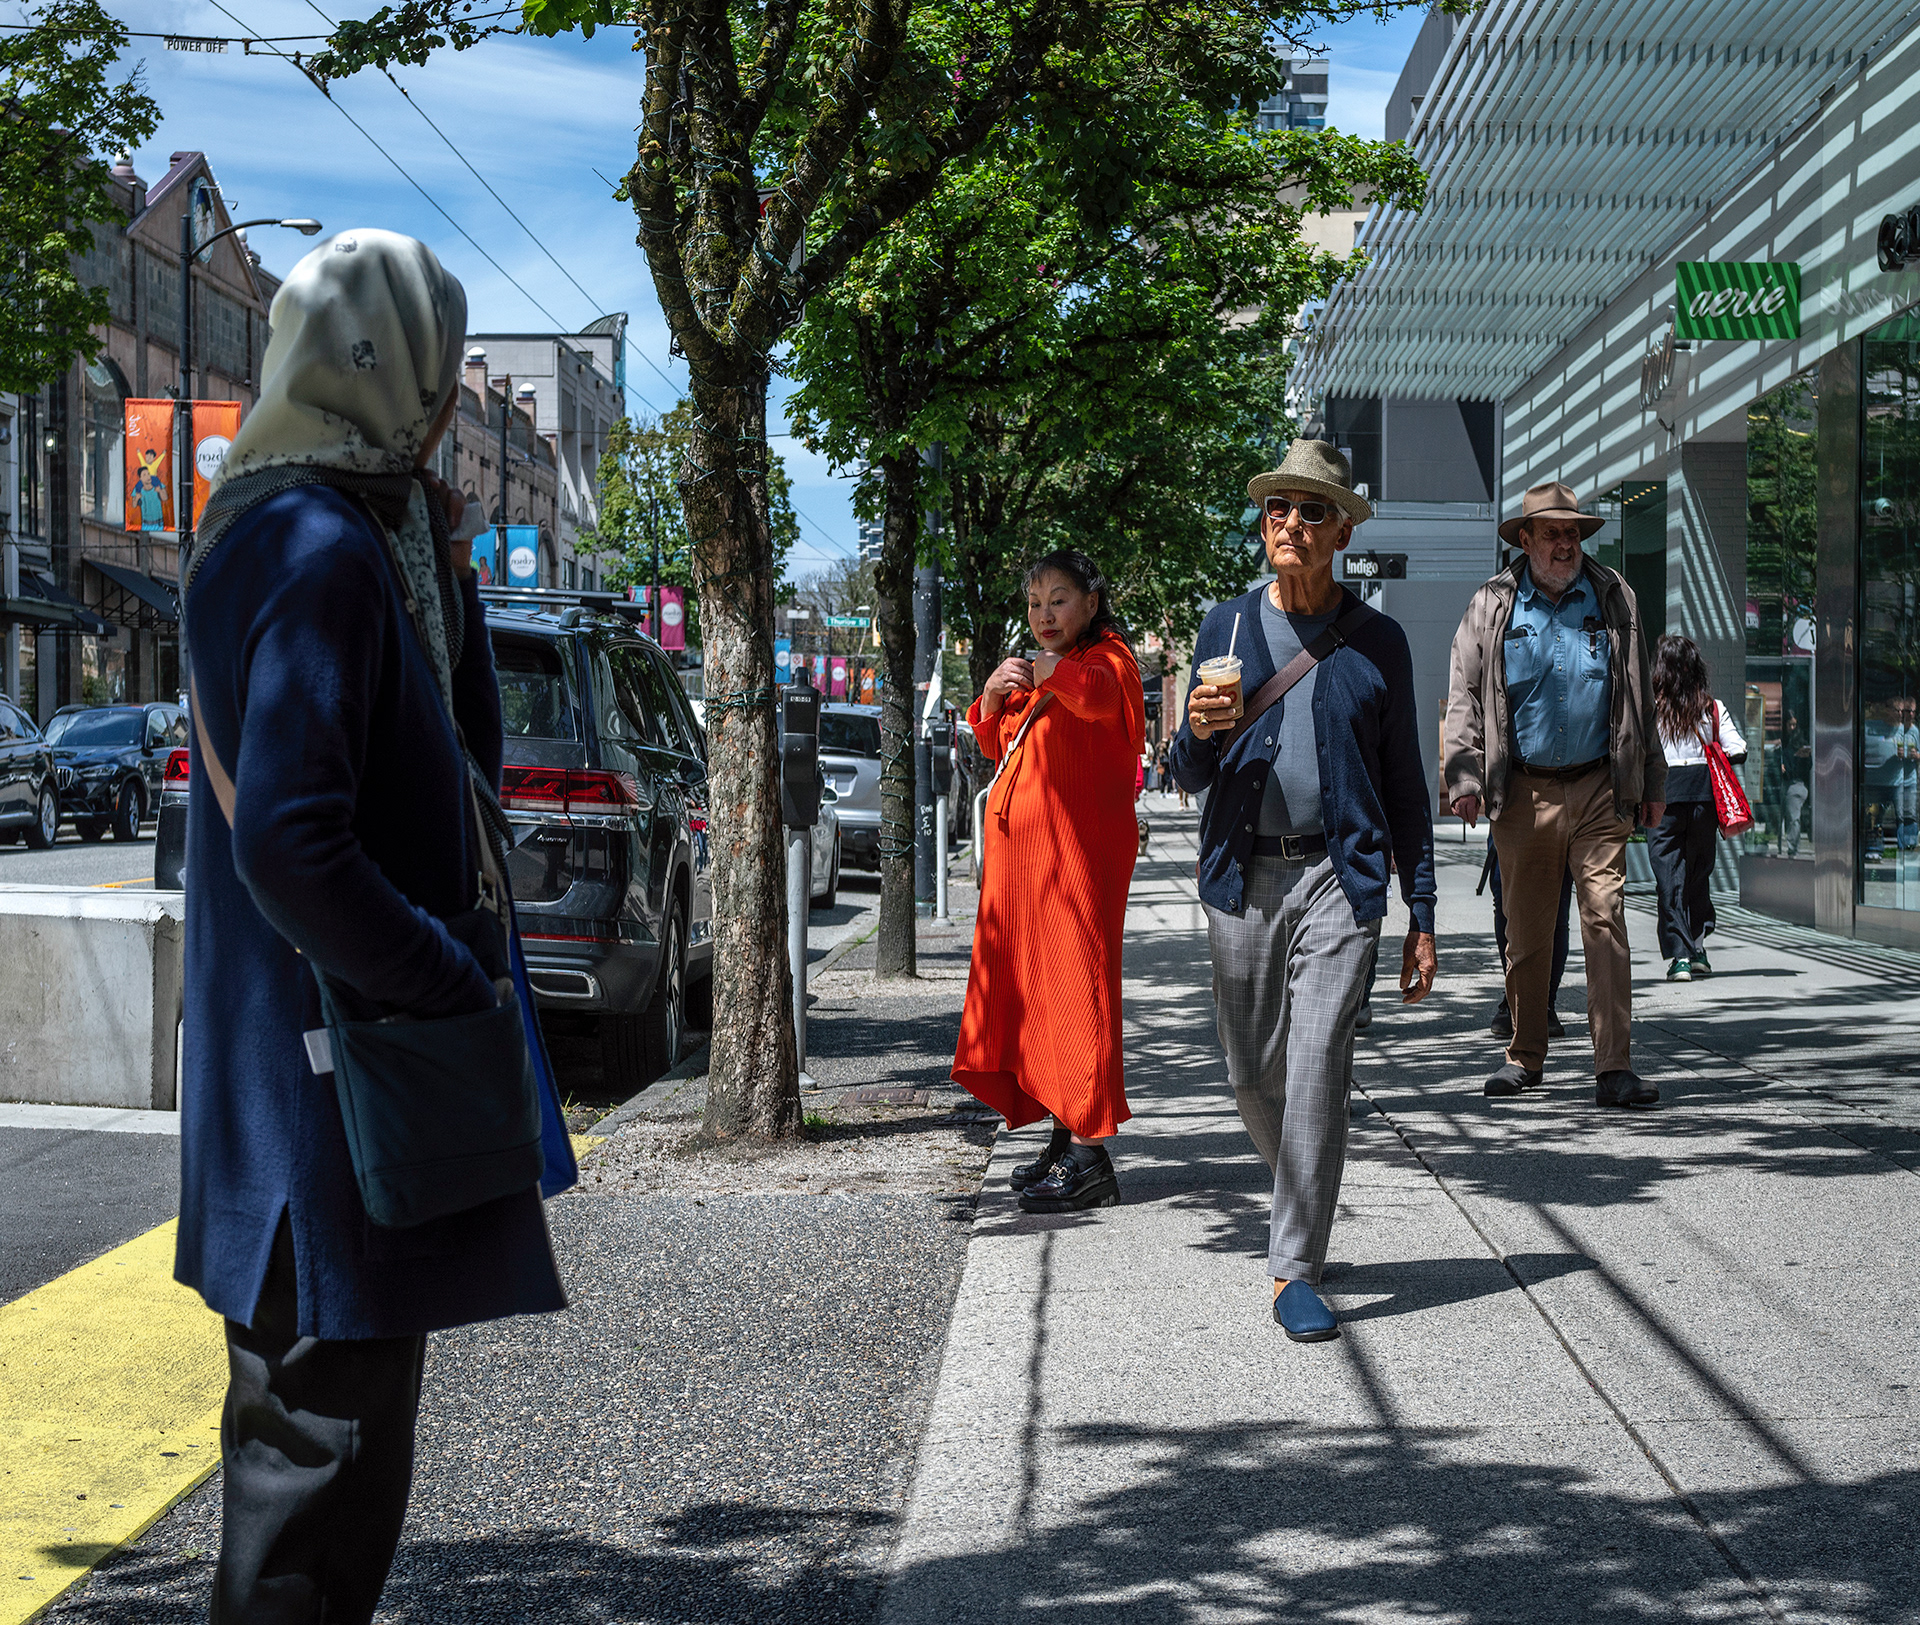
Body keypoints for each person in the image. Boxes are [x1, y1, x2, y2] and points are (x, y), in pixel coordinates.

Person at [176, 231, 567, 1621]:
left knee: (315, 1482)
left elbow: (460, 770)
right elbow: (290, 842)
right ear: (387, 371)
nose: (454, 402)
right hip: (330, 1102)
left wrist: (449, 583)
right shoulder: (319, 546)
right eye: (443, 370)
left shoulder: (290, 524)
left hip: (295, 1090)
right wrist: (449, 976)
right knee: (315, 1504)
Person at [1170, 440, 1436, 1343]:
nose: (1291, 522)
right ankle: (1306, 1184)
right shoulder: (1226, 630)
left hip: (1339, 874)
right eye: (1278, 507)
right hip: (1242, 875)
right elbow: (1187, 767)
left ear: (1345, 529)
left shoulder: (1380, 643)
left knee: (1320, 1055)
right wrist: (1200, 735)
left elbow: (1405, 784)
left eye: (1312, 509)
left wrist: (1423, 912)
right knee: (1251, 1070)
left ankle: (1294, 1266)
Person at [1445, 479, 1665, 1107]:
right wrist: (1464, 775)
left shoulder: (1612, 595)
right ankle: (1524, 1055)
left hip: (1600, 786)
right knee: (1528, 933)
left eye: (1571, 532)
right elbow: (1464, 694)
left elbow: (1638, 698)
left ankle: (1613, 1067)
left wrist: (1650, 780)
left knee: (1605, 918)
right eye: (1552, 533)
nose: (1564, 543)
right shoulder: (1492, 605)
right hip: (1523, 792)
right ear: (1526, 539)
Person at [953, 548, 1145, 1213]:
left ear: (1091, 602)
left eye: (1058, 599)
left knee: (1079, 994)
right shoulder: (1043, 671)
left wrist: (1046, 672)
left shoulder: (1109, 661)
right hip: (1029, 874)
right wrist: (991, 693)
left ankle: (1090, 1153)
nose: (1044, 614)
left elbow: (1092, 699)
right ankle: (1066, 1139)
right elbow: (993, 739)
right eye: (1034, 603)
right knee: (1044, 1000)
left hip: (1077, 864)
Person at [1648, 634, 1747, 982]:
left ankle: (1680, 957)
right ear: (1695, 668)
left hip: (1662, 796)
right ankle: (1699, 947)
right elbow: (1738, 750)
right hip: (1704, 797)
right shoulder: (1711, 708)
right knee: (1698, 872)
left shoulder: (1652, 708)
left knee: (1668, 878)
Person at [1486, 846, 1571, 1039]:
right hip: (1509, 817)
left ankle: (1546, 1003)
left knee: (1556, 900)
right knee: (1503, 898)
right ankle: (1514, 996)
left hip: (1561, 818)